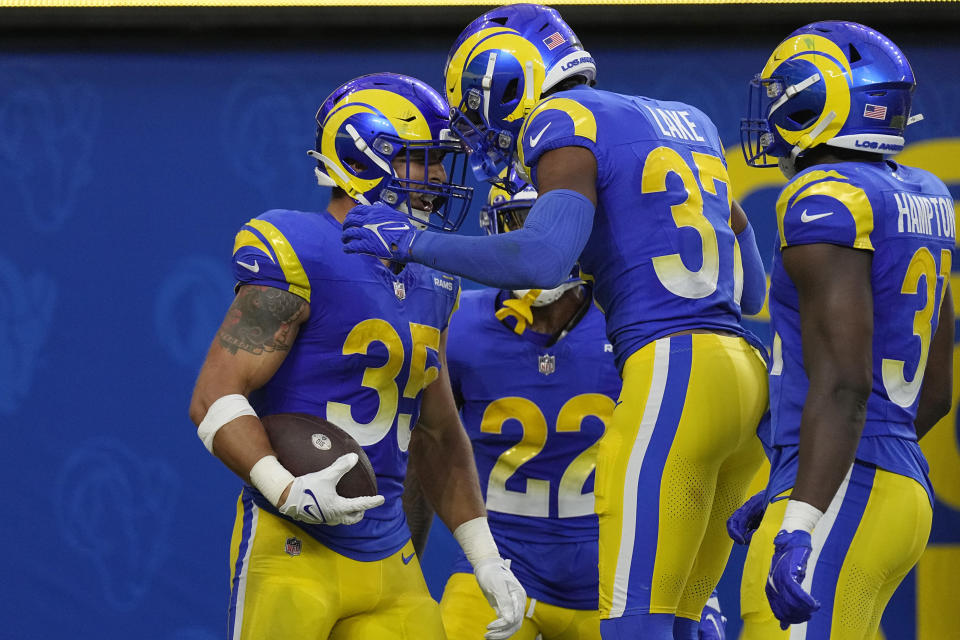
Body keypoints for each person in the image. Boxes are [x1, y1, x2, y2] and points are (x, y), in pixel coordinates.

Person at [342, 5, 773, 628]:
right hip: (740, 372)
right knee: (680, 623)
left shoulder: (564, 118)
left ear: (507, 77)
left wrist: (409, 242)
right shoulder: (689, 120)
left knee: (634, 622)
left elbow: (544, 257)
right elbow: (752, 290)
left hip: (673, 368)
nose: (482, 133)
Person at [188, 72, 526, 640]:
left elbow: (438, 433)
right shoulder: (300, 247)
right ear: (364, 155)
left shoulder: (433, 277)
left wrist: (484, 555)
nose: (440, 176)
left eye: (442, 161)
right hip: (292, 548)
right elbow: (213, 396)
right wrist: (286, 488)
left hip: (390, 557)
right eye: (423, 160)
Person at [729, 21, 955, 638]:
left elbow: (845, 385)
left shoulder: (826, 195)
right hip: (897, 484)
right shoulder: (927, 194)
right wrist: (794, 478)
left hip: (846, 487)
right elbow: (934, 390)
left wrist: (803, 511)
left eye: (784, 90)